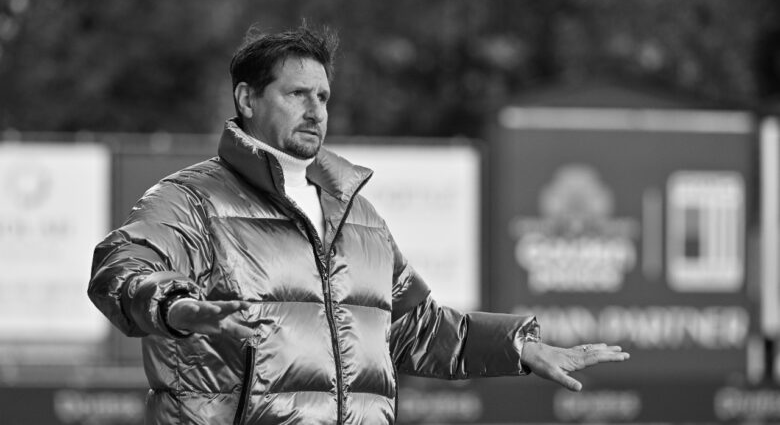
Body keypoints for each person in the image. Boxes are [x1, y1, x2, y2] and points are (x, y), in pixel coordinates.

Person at [88, 24, 629, 425]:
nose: (315, 109)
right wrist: (176, 307)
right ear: (247, 99)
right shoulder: (191, 199)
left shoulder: (358, 215)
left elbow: (415, 329)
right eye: (297, 94)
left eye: (323, 96)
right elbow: (121, 269)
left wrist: (520, 348)